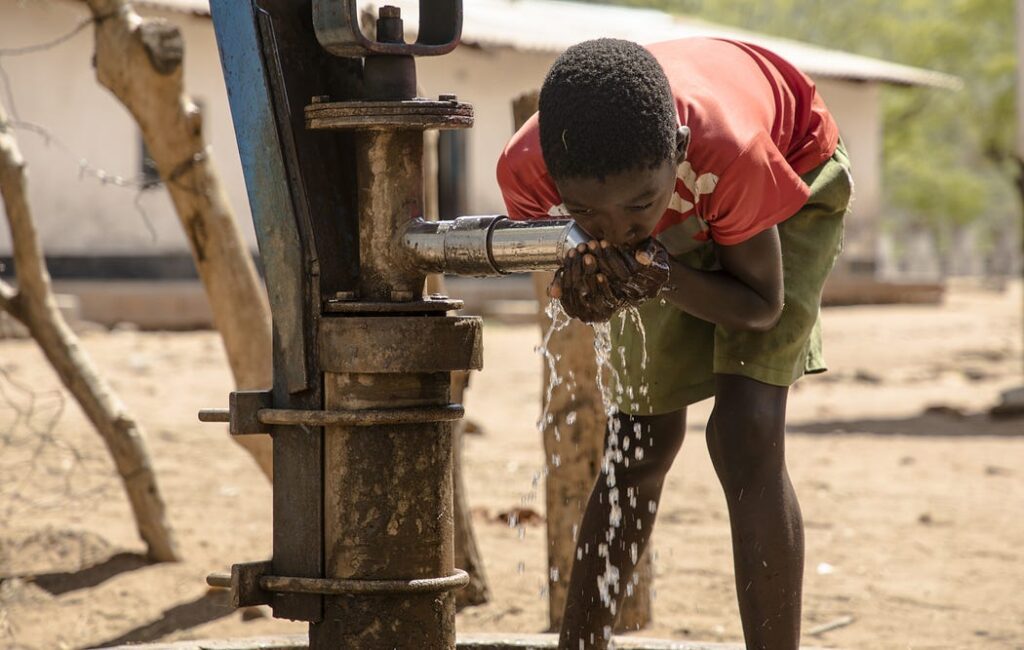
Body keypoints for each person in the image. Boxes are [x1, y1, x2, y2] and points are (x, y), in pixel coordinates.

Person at [495, 37, 852, 650]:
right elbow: (573, 283)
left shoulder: (732, 152)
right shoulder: (527, 173)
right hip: (684, 198)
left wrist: (659, 272)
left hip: (789, 169)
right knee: (637, 442)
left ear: (677, 151)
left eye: (636, 209)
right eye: (587, 214)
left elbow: (760, 305)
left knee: (745, 433)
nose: (614, 233)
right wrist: (591, 286)